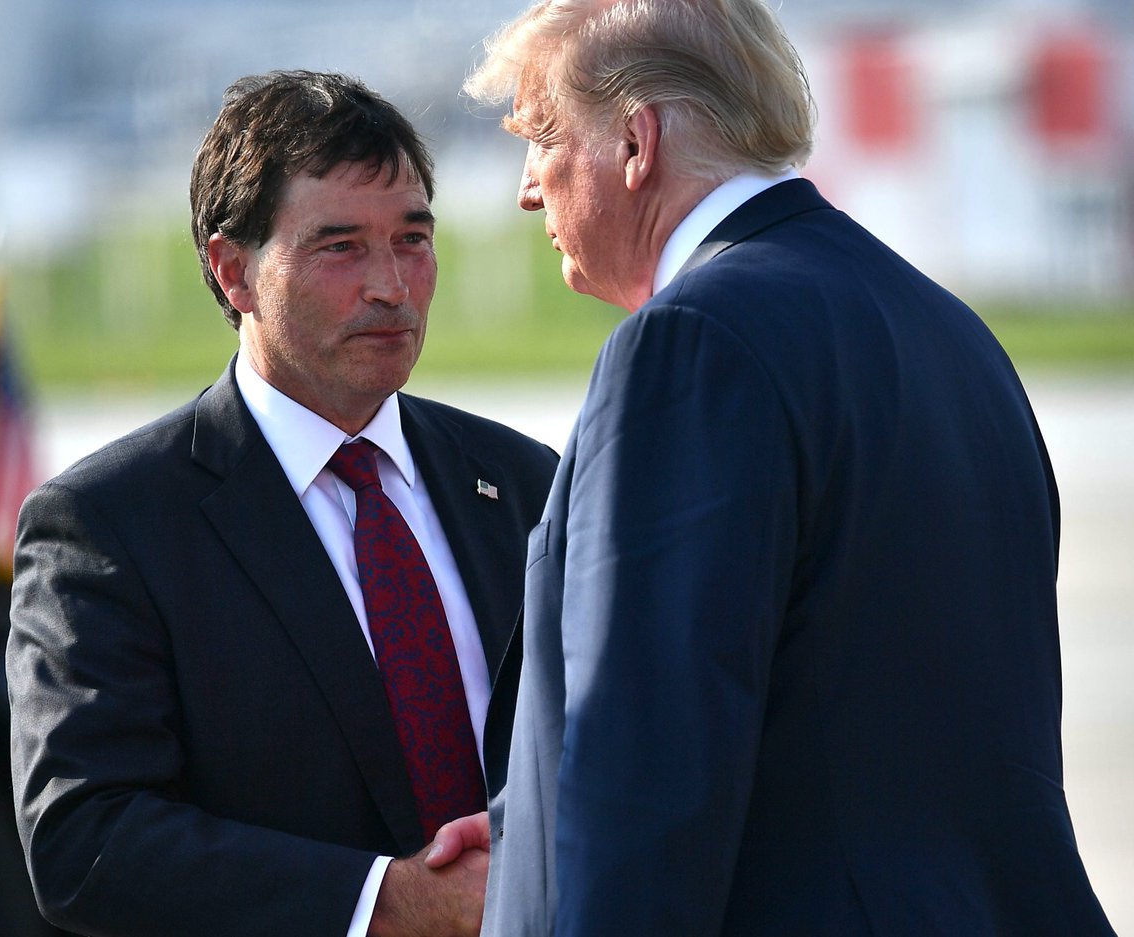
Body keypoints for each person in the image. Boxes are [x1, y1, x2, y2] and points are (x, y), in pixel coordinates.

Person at [451, 2, 1118, 934]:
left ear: (636, 143)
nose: (528, 187)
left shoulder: (690, 342)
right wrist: (529, 827)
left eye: (542, 137)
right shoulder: (951, 330)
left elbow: (647, 775)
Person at [6, 69, 557, 937]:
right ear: (233, 271)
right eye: (341, 247)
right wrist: (386, 902)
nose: (391, 285)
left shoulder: (524, 482)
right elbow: (84, 836)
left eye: (412, 239)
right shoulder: (109, 525)